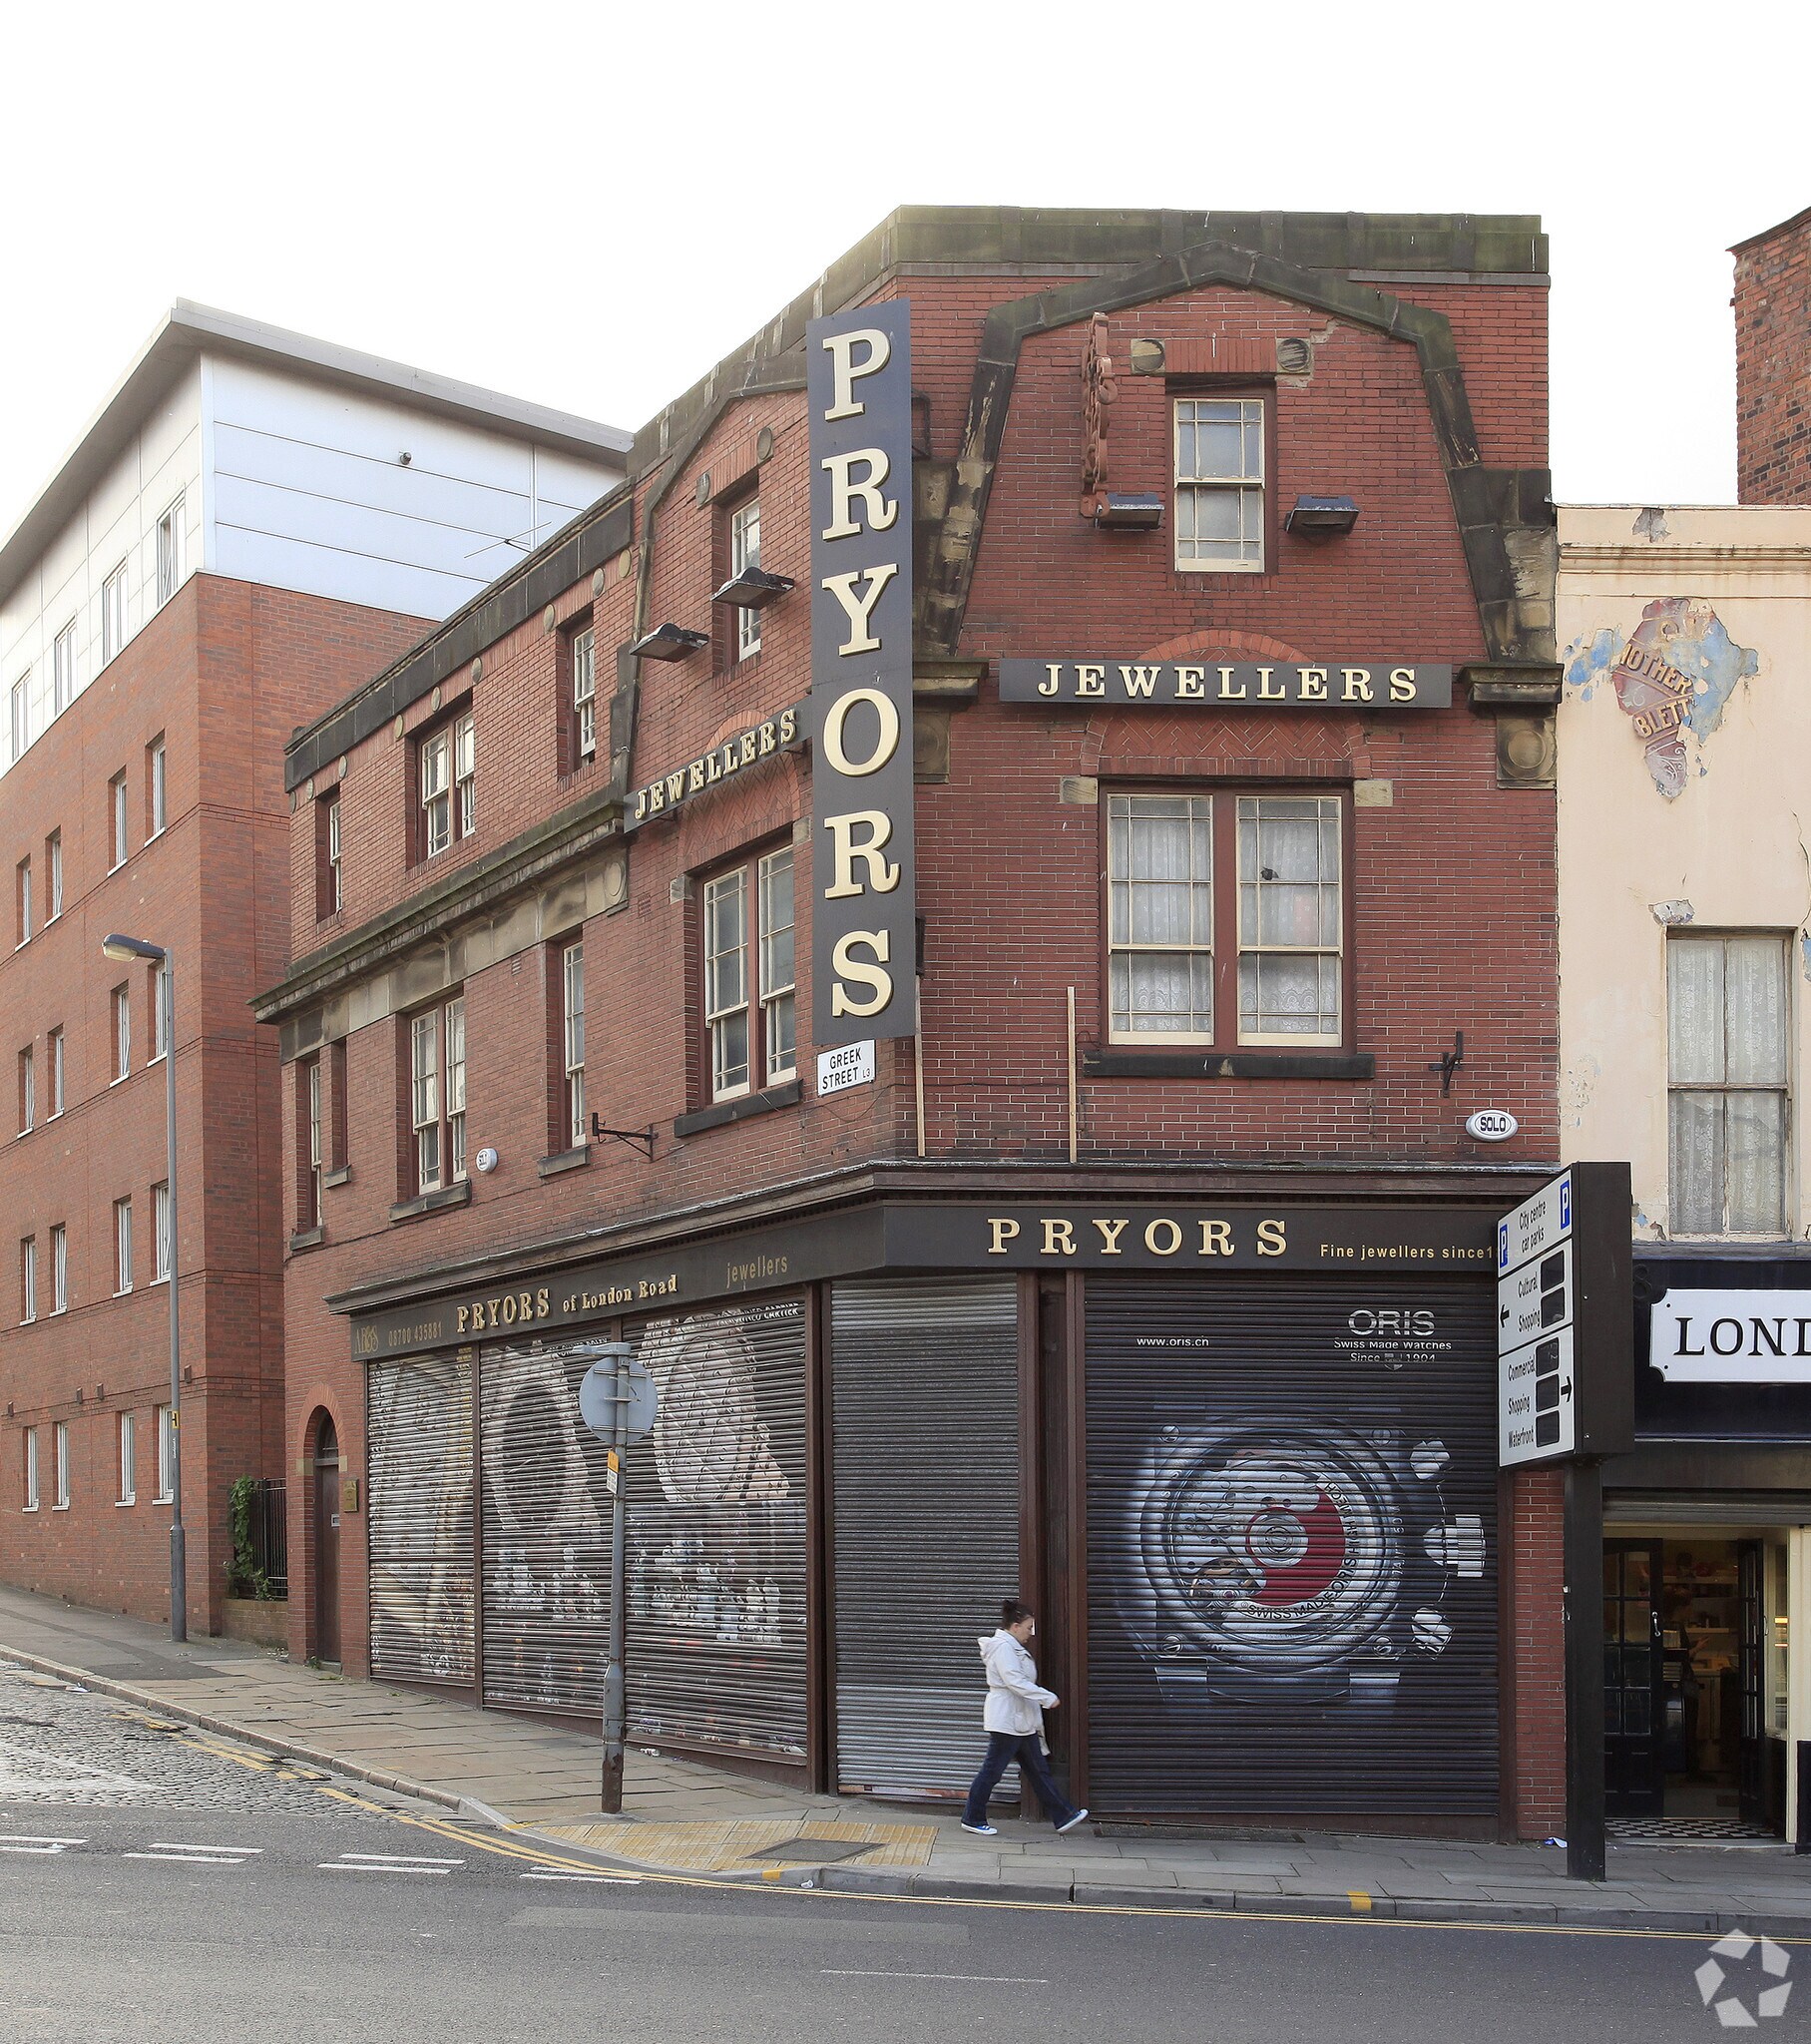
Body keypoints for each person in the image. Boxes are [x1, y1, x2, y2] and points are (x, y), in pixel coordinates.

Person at [961, 1598, 1090, 1837]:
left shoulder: (1012, 1647)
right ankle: (972, 1817)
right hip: (1008, 1720)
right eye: (1029, 1627)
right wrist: (1046, 1697)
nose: (1031, 1633)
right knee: (992, 1771)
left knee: (1038, 1771)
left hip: (1020, 1720)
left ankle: (1063, 1815)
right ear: (1015, 1626)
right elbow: (1014, 1681)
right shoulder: (1003, 1648)